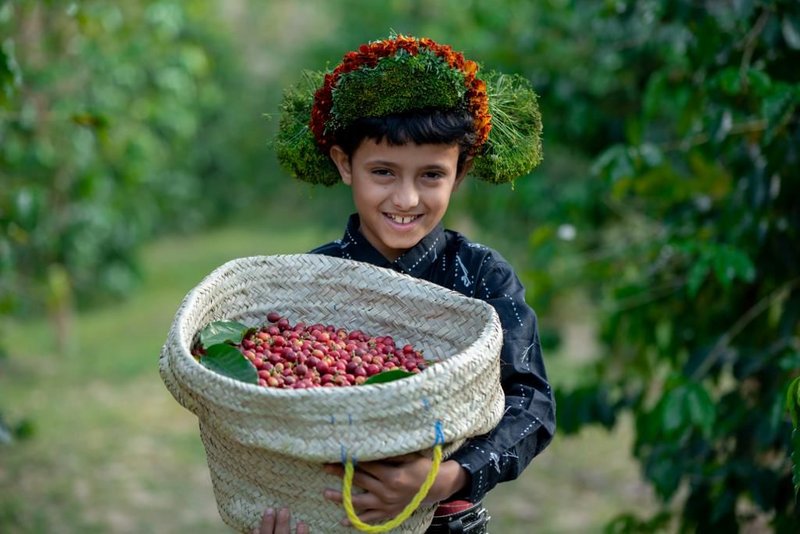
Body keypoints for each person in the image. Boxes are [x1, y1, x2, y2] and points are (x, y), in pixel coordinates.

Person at [259, 34, 556, 533]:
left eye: (431, 176)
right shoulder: (312, 282)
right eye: (383, 171)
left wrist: (443, 479)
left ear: (459, 174)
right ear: (342, 163)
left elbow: (533, 404)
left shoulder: (481, 276)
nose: (405, 198)